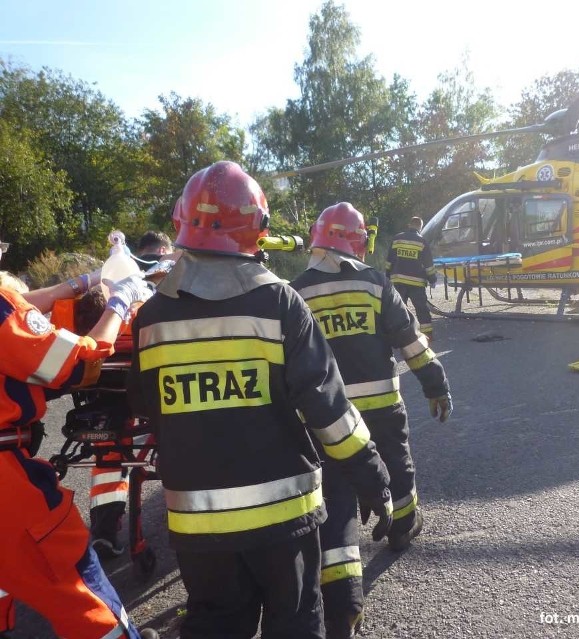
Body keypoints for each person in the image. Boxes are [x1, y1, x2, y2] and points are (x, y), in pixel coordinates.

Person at [126, 161, 393, 639]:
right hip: (283, 522)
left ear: (179, 223)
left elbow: (145, 407)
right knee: (294, 623)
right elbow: (329, 412)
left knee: (215, 624)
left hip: (198, 528)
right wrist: (373, 477)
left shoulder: (149, 318)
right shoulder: (281, 305)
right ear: (258, 229)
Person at [291, 202, 452, 638]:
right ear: (360, 241)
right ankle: (402, 525)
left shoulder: (296, 292)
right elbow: (410, 342)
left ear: (317, 238)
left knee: (334, 491)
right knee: (397, 463)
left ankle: (341, 588)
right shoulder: (377, 284)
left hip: (326, 416)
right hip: (381, 404)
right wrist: (435, 383)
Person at [0, 240, 158, 638]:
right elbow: (77, 363)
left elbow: (18, 306)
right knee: (81, 588)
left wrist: (77, 284)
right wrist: (119, 301)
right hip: (8, 486)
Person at [89, 230, 176, 559]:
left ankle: (104, 531)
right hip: (152, 372)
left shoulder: (115, 275)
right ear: (164, 250)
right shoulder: (169, 270)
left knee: (108, 452)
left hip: (108, 375)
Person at [384, 216, 439, 341]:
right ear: (420, 227)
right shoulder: (422, 241)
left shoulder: (397, 239)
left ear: (409, 225)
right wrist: (433, 279)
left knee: (398, 310)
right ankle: (428, 336)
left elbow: (389, 261)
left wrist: (387, 275)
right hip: (416, 283)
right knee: (422, 310)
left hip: (397, 281)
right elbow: (428, 264)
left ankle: (397, 337)